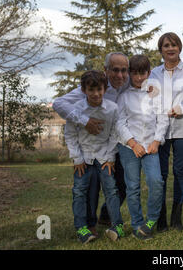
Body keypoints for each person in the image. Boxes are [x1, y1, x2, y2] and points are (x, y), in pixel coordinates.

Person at [52, 52, 129, 233]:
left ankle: (107, 216)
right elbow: (59, 104)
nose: (120, 75)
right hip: (92, 147)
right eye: (115, 70)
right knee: (90, 187)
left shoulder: (128, 84)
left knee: (123, 184)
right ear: (106, 70)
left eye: (124, 70)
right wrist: (84, 121)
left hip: (119, 141)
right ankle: (88, 224)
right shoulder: (94, 86)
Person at [149, 32, 183, 232]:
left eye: (174, 45)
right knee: (161, 174)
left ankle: (177, 218)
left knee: (180, 172)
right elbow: (149, 100)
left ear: (180, 47)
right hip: (160, 132)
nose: (170, 48)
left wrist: (181, 109)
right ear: (161, 50)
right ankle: (161, 218)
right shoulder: (154, 73)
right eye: (166, 45)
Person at [64, 70, 125, 244]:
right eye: (91, 90)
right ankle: (82, 228)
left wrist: (110, 157)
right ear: (84, 90)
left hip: (104, 156)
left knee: (111, 189)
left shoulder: (112, 108)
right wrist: (77, 158)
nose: (96, 94)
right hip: (83, 158)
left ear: (105, 89)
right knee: (80, 191)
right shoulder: (76, 110)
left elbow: (115, 133)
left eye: (99, 89)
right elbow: (70, 135)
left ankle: (117, 225)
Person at [117, 55, 168, 240]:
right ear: (130, 73)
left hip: (150, 146)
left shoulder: (155, 92)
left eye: (143, 73)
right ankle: (137, 224)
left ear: (149, 72)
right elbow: (120, 122)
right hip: (129, 147)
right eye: (135, 73)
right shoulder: (124, 96)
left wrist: (157, 140)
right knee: (132, 187)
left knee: (156, 182)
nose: (139, 78)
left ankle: (150, 221)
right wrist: (132, 143)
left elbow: (162, 118)